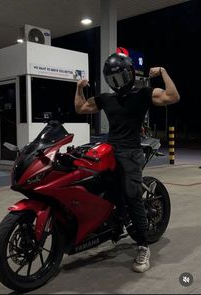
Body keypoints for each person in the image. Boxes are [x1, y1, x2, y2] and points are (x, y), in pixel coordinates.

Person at [74, 52, 180, 273]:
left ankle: (143, 245)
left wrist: (162, 72)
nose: (117, 83)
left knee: (132, 196)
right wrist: (79, 88)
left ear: (130, 74)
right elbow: (80, 108)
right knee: (96, 187)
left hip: (131, 152)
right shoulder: (106, 98)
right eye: (113, 80)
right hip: (110, 150)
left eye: (120, 78)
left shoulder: (142, 94)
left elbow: (172, 96)